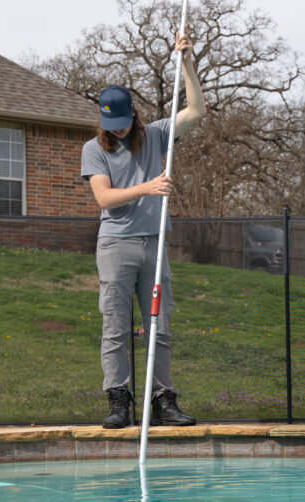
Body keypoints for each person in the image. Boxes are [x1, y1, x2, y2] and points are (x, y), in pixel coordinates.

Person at [80, 26, 206, 429]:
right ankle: (119, 400)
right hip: (115, 246)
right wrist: (148, 187)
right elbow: (103, 199)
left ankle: (162, 400)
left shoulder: (156, 135)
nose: (115, 130)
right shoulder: (93, 149)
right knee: (115, 326)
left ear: (133, 112)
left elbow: (197, 111)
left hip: (154, 244)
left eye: (120, 122)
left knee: (158, 326)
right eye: (108, 123)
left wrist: (186, 61)